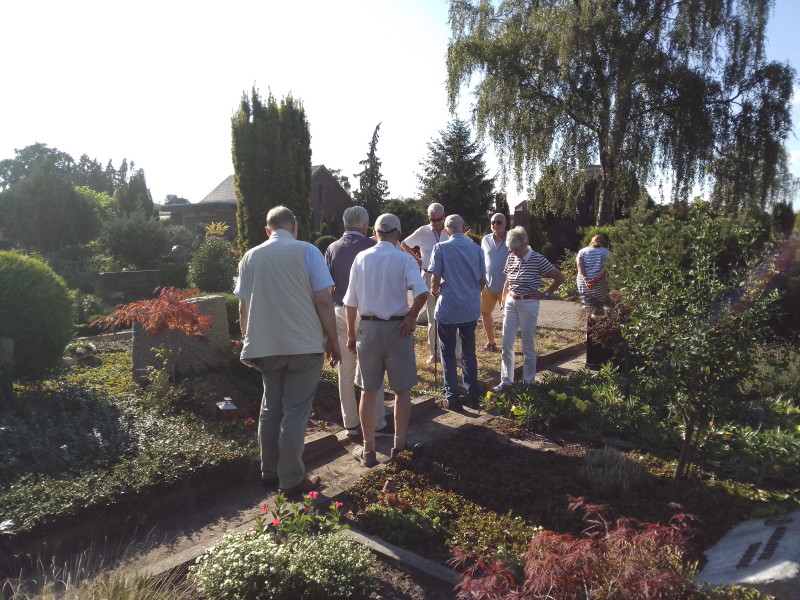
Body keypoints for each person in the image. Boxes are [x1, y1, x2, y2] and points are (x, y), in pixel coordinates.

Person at [234, 206, 340, 497]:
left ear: (268, 231)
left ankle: (269, 471)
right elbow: (323, 301)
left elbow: (243, 306)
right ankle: (291, 479)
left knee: (271, 409)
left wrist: (247, 339)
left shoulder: (249, 257)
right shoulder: (307, 252)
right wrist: (333, 339)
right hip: (303, 345)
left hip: (265, 347)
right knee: (295, 411)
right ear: (294, 228)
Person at [344, 213, 429, 467]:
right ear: (398, 235)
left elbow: (350, 302)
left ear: (375, 233)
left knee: (368, 392)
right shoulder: (404, 259)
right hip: (398, 330)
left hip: (368, 330)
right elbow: (422, 292)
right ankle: (399, 445)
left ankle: (368, 451)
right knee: (402, 391)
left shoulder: (361, 258)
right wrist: (412, 316)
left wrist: (351, 334)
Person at [324, 206, 393, 440]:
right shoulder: (373, 247)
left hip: (339, 311)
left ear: (344, 224)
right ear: (365, 225)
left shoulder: (332, 248)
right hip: (365, 313)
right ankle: (377, 422)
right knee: (372, 369)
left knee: (345, 369)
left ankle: (351, 423)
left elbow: (328, 287)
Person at [493, 226, 564, 392]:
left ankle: (528, 383)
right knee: (506, 344)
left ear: (525, 244)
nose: (514, 253)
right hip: (511, 302)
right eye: (511, 249)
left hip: (528, 304)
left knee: (527, 345)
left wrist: (545, 294)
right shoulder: (511, 258)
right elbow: (507, 281)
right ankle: (506, 382)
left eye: (516, 250)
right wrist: (503, 302)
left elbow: (560, 277)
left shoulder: (537, 259)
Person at [429, 214, 486, 410]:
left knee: (448, 352)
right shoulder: (477, 249)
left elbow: (435, 280)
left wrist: (435, 291)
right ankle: (472, 394)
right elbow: (482, 280)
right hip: (469, 308)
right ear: (463, 229)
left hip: (448, 308)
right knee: (469, 352)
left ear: (446, 231)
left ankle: (452, 396)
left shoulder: (441, 248)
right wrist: (471, 293)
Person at [400, 203, 449, 363]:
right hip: (428, 275)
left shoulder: (450, 230)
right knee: (432, 315)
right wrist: (418, 260)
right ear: (429, 218)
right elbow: (404, 244)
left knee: (451, 314)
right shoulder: (423, 231)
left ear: (444, 216)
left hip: (448, 276)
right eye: (433, 220)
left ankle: (453, 353)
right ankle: (434, 353)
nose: (436, 223)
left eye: (439, 219)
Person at [577, 234, 612, 369]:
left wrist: (586, 279)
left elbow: (580, 266)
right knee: (599, 311)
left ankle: (589, 336)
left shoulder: (582, 251)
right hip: (599, 284)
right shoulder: (607, 253)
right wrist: (596, 279)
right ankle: (598, 343)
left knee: (589, 310)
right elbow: (605, 269)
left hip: (583, 283)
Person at [480, 213, 509, 352]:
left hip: (507, 287)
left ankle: (507, 345)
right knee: (484, 313)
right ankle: (491, 342)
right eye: (493, 222)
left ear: (505, 224)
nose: (495, 225)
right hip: (488, 285)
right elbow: (482, 260)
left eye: (498, 222)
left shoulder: (512, 238)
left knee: (508, 317)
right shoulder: (485, 239)